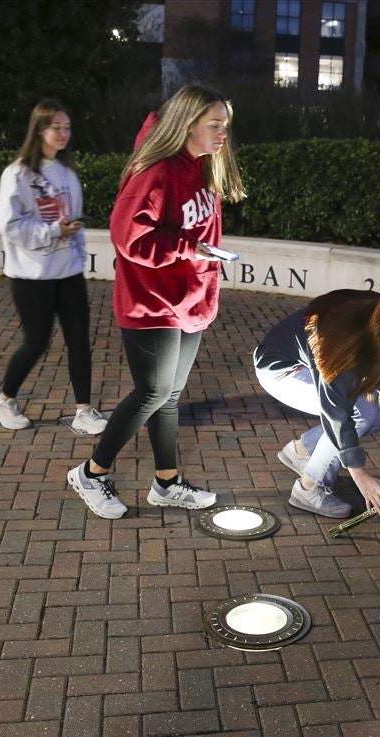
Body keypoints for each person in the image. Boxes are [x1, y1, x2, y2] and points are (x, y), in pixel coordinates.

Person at [67, 85, 245, 519]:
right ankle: (91, 473)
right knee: (152, 391)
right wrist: (188, 247)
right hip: (151, 301)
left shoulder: (202, 167)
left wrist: (200, 255)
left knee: (169, 395)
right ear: (187, 124)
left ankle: (167, 482)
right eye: (214, 124)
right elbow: (128, 236)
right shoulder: (157, 170)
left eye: (226, 123)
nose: (224, 132)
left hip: (191, 299)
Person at [253, 285, 380, 519]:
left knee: (377, 412)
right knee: (363, 413)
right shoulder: (338, 336)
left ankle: (302, 451)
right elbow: (335, 411)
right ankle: (309, 489)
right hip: (281, 370)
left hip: (310, 363)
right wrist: (360, 475)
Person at [0, 99, 108, 436]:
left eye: (67, 127)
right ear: (39, 129)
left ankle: (84, 410)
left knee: (79, 340)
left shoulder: (68, 172)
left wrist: (75, 246)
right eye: (57, 127)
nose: (63, 133)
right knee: (36, 341)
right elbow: (9, 225)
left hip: (68, 272)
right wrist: (55, 231)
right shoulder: (18, 174)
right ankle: (3, 399)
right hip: (32, 276)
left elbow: (73, 218)